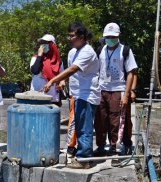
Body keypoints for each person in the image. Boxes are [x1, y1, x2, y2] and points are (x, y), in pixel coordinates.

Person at [43, 22, 101, 169]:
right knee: (79, 126)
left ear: (81, 36)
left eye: (72, 35)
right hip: (77, 94)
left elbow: (73, 69)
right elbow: (69, 72)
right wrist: (62, 81)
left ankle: (84, 159)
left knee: (85, 128)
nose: (69, 38)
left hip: (88, 94)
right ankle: (82, 154)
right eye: (68, 35)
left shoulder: (87, 51)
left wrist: (53, 80)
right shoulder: (72, 52)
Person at [94, 23, 137, 164]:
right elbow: (95, 70)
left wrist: (126, 94)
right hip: (102, 89)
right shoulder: (100, 50)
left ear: (118, 36)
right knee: (100, 120)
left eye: (113, 37)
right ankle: (101, 147)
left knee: (116, 121)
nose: (110, 39)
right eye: (107, 37)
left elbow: (131, 72)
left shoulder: (125, 50)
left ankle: (115, 149)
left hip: (118, 89)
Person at [30, 34, 63, 106]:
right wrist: (39, 56)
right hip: (36, 96)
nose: (43, 45)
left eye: (45, 43)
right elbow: (35, 71)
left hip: (52, 97)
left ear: (52, 45)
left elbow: (62, 77)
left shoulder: (58, 61)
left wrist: (61, 83)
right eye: (41, 43)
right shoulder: (35, 58)